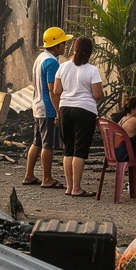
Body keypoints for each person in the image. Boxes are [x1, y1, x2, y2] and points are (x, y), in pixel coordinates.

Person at [54, 36, 104, 197]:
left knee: (68, 149)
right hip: (85, 110)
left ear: (73, 49)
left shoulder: (63, 67)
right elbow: (98, 94)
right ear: (90, 52)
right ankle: (77, 188)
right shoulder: (92, 70)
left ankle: (69, 187)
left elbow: (56, 90)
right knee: (80, 150)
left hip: (65, 109)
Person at [23, 26, 72, 188]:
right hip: (47, 107)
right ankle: (47, 178)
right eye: (63, 43)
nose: (64, 46)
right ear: (56, 46)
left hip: (37, 105)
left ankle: (29, 175)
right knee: (47, 144)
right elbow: (53, 90)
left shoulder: (40, 58)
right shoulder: (51, 63)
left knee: (37, 142)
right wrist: (58, 111)